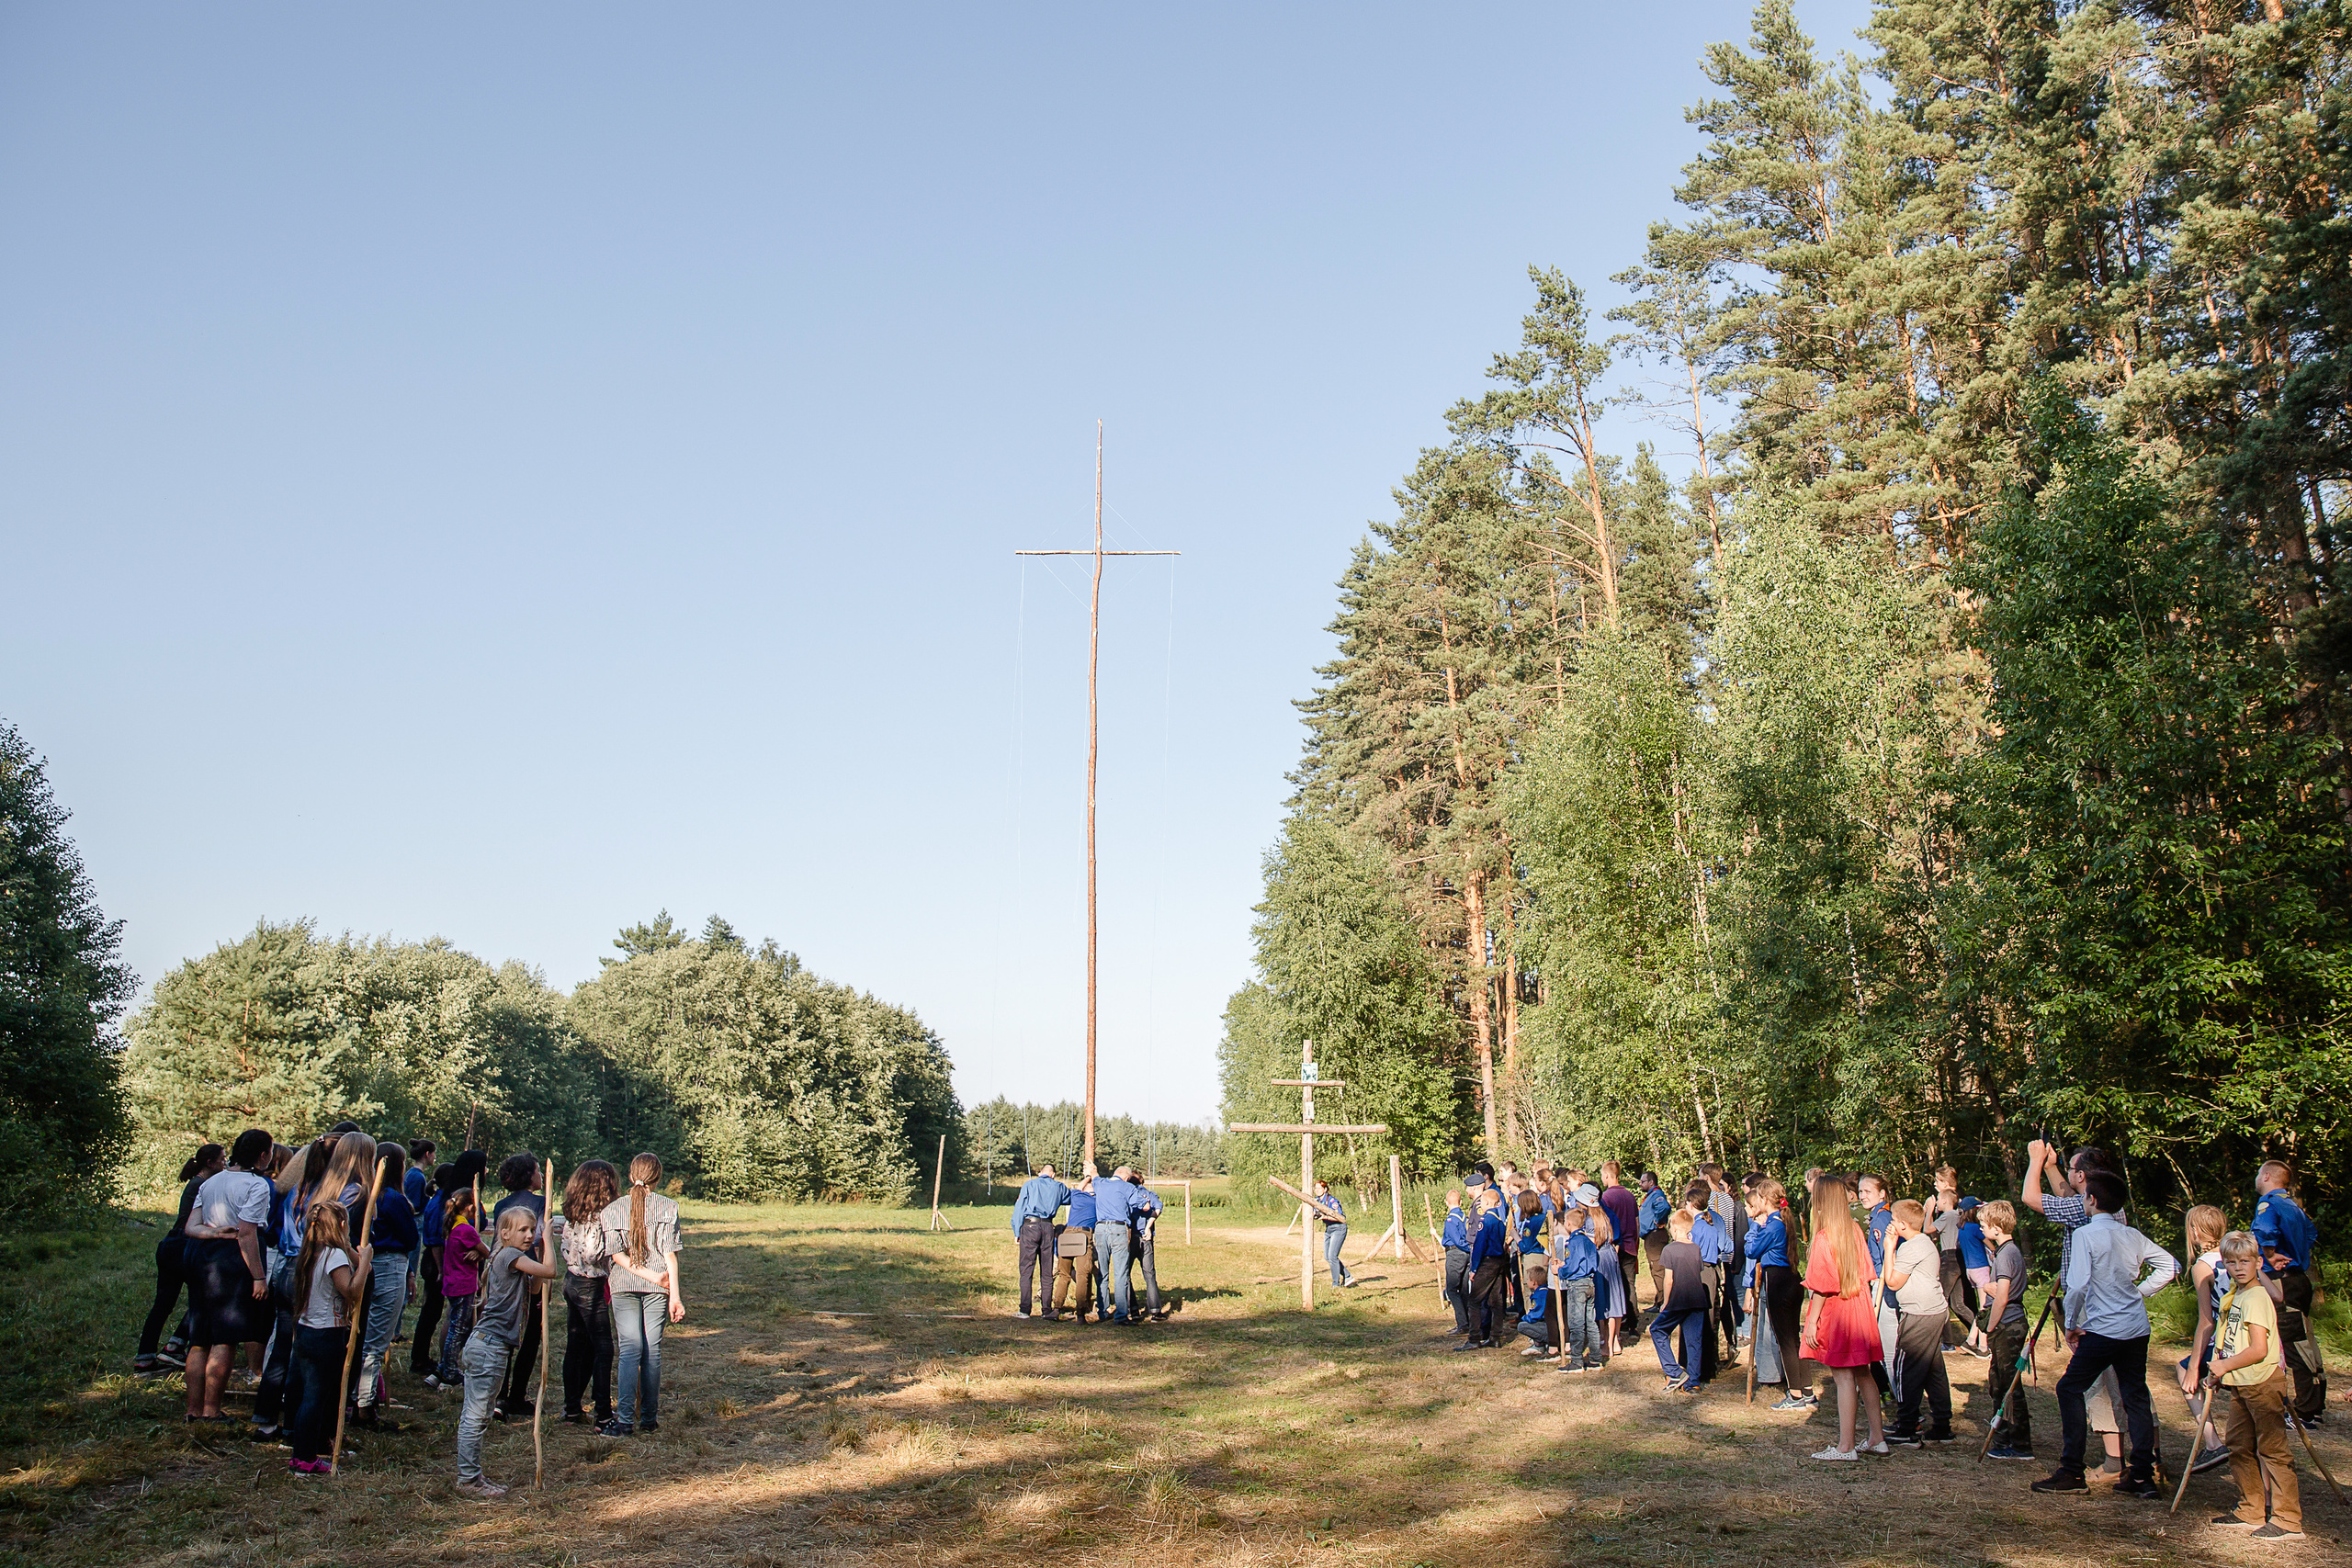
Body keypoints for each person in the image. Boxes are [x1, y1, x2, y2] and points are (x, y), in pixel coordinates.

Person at [2031, 1170, 2176, 1498]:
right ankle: (2141, 1474)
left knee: (2069, 1389)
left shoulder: (2086, 1235)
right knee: (2134, 1395)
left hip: (2103, 1329)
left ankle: (2071, 1471)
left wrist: (2069, 1323)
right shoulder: (2131, 1234)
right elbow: (2169, 1265)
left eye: (2083, 1196)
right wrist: (2140, 1292)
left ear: (2092, 1200)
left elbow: (2078, 1283)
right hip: (2135, 1329)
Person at [2022, 1139, 2129, 1474]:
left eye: (2072, 1172)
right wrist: (2055, 1167)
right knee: (2128, 1383)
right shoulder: (2108, 1204)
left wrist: (2036, 1162)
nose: (2068, 1179)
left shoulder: (2086, 1212)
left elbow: (2030, 1198)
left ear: (2083, 1177)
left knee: (2097, 1383)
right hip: (2118, 1304)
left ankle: (2113, 1460)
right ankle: (2146, 1456)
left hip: (2091, 1308)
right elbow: (2069, 1196)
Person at [454, 1205, 559, 1499]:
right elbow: (550, 1271)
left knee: (481, 1414)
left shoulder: (513, 1258)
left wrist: (537, 1249)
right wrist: (547, 1240)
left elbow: (537, 1287)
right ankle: (468, 1479)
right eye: (523, 1230)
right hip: (489, 1346)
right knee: (476, 1416)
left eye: (532, 1229)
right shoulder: (510, 1255)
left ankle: (471, 1474)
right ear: (504, 1234)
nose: (529, 1235)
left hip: (492, 1346)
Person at [2204, 1229, 2302, 1540]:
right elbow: (2232, 1339)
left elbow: (2259, 1349)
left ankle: (2288, 1520)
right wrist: (2221, 1371)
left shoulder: (2257, 1296)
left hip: (2262, 1382)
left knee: (2273, 1450)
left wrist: (2222, 1365)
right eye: (2232, 1263)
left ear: (2259, 1262)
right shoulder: (2239, 1294)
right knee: (2238, 1444)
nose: (2239, 1268)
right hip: (2241, 1382)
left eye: (2246, 1261)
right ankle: (2251, 1508)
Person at [181, 1128, 275, 1423]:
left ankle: (192, 1410)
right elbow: (247, 1233)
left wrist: (213, 1232)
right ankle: (210, 1411)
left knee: (199, 1339)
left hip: (204, 1257)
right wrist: (259, 1277)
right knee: (225, 1338)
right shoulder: (256, 1185)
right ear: (262, 1155)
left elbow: (190, 1228)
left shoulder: (210, 1183)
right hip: (235, 1262)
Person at [283, 1191, 371, 1474]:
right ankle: (304, 1458)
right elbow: (351, 1290)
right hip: (326, 1334)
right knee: (315, 1398)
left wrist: (357, 1254)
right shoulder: (333, 1256)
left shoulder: (313, 1251)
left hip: (308, 1331)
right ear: (342, 1225)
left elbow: (352, 1263)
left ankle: (308, 1450)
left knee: (311, 1395)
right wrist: (367, 1262)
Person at [599, 1152, 684, 1438]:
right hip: (659, 1286)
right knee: (652, 1352)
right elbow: (670, 1257)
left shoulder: (612, 1210)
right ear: (657, 1178)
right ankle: (648, 1419)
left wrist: (651, 1278)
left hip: (624, 1285)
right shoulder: (668, 1207)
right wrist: (674, 1295)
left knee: (630, 1351)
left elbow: (617, 1257)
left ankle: (624, 1421)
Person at [1800, 1175, 1884, 1461]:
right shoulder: (1854, 1229)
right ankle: (1877, 1438)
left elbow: (1823, 1285)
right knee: (1863, 1372)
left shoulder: (1825, 1237)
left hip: (1838, 1311)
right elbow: (1866, 1272)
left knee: (1843, 1376)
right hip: (1858, 1307)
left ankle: (1846, 1447)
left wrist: (1812, 1322)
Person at [136, 1143, 224, 1375]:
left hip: (169, 1245)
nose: (226, 1163)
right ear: (211, 1163)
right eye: (223, 1159)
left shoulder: (196, 1182)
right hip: (184, 1247)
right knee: (208, 1296)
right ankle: (175, 1345)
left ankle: (144, 1358)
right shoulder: (205, 1185)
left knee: (162, 1305)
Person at [349, 1141, 418, 1430]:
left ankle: (361, 1397)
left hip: (367, 1262)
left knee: (365, 1334)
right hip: (387, 1264)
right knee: (375, 1341)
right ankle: (363, 1407)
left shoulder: (361, 1194)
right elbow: (411, 1238)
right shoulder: (389, 1198)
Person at [2252, 1160, 2325, 1424]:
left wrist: (2270, 1254)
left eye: (2259, 1174)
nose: (2256, 1178)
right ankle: (2313, 1405)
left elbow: (2264, 1230)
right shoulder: (2295, 1206)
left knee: (2292, 1343)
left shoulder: (2269, 1204)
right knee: (2305, 1339)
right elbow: (2311, 1233)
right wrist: (2298, 1253)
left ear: (2268, 1176)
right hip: (2299, 1278)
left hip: (2281, 1280)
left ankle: (2303, 1410)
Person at [1883, 1200, 1954, 1445]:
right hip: (1934, 1312)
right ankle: (1942, 1425)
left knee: (1906, 1369)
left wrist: (1889, 1249)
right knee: (1933, 1371)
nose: (1891, 1224)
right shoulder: (1924, 1241)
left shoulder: (1911, 1247)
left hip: (1919, 1315)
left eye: (1893, 1220)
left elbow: (1892, 1282)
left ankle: (1907, 1426)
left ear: (1902, 1225)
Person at [2173, 1203, 2233, 1472]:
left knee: (2183, 1369)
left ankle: (2212, 1443)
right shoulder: (2236, 1254)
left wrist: (2194, 1368)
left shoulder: (2203, 1266)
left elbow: (2206, 1322)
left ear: (2195, 1232)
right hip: (2245, 1337)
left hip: (2224, 1342)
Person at [560, 1159, 619, 1427]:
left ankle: (572, 1408)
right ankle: (603, 1414)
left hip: (572, 1280)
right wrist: (615, 1252)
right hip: (590, 1286)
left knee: (577, 1346)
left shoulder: (574, 1215)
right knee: (603, 1349)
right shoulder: (599, 1218)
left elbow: (565, 1249)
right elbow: (592, 1253)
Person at [490, 1154, 548, 1420]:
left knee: (505, 1329)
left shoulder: (501, 1204)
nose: (541, 1176)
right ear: (529, 1175)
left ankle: (500, 1395)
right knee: (530, 1334)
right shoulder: (539, 1204)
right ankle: (516, 1395)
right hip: (530, 1270)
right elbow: (541, 1240)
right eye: (538, 1171)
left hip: (502, 1273)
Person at [1977, 1201, 2036, 1461]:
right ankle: (2004, 1438)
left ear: (1997, 1229)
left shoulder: (2006, 1255)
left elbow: (2002, 1296)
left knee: (2009, 1386)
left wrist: (1990, 1327)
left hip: (2007, 1324)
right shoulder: (2006, 1251)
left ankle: (2020, 1444)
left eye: (1983, 1225)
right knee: (1998, 1383)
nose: (1981, 1229)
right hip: (2008, 1322)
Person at [1745, 1178, 1809, 1411]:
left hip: (1777, 1280)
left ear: (1763, 1200)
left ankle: (1795, 1395)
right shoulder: (1782, 1221)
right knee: (1793, 1337)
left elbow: (1751, 1250)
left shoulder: (1772, 1225)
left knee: (1785, 1340)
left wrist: (1755, 1228)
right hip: (1790, 1279)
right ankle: (1806, 1389)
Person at [1649, 1210, 1708, 1393]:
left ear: (1673, 1229)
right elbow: (1698, 1271)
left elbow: (1669, 1280)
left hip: (1678, 1300)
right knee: (1694, 1341)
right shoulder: (1696, 1248)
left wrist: (1665, 1302)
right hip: (1697, 1300)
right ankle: (1694, 1383)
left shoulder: (1669, 1249)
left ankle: (1674, 1371)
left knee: (1657, 1330)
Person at [409, 1162, 457, 1380]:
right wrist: (441, 1270)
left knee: (432, 1312)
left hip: (435, 1259)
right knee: (430, 1312)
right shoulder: (439, 1205)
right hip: (435, 1260)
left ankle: (421, 1356)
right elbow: (437, 1240)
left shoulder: (438, 1200)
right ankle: (419, 1358)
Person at [434, 1187, 484, 1388]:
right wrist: (480, 1254)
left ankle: (444, 1366)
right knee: (458, 1329)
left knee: (455, 1325)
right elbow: (487, 1251)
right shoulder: (466, 1230)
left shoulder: (453, 1225)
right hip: (464, 1285)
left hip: (453, 1282)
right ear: (471, 1207)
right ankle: (450, 1371)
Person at [1008, 1162, 1069, 1319]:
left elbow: (1020, 1208)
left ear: (1040, 1173)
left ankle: (1024, 1309)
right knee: (1047, 1269)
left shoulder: (1029, 1185)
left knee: (1026, 1268)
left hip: (1030, 1226)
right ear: (1053, 1174)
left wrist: (1017, 1231)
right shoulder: (1059, 1187)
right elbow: (1069, 1198)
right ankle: (1046, 1310)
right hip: (1048, 1226)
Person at [1456, 1189, 1510, 1350]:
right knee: (1496, 1300)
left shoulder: (1484, 1221)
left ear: (1486, 1203)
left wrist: (1474, 1268)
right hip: (1499, 1261)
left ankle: (1474, 1337)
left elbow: (1479, 1245)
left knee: (1475, 1300)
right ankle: (1495, 1336)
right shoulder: (1500, 1222)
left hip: (1487, 1262)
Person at [1684, 1181, 1725, 1382]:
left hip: (1700, 1272)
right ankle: (1709, 1367)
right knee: (1709, 1320)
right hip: (1712, 1272)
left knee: (1697, 1322)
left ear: (1691, 1205)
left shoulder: (1697, 1228)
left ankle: (1695, 1367)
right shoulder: (1710, 1224)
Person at [1554, 1203, 1600, 1371]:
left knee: (1576, 1323)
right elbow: (1590, 1261)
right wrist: (1565, 1264)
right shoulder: (1588, 1240)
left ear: (1569, 1224)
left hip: (1577, 1285)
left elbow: (1573, 1265)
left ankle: (1577, 1360)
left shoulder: (1573, 1242)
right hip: (1590, 1282)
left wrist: (1560, 1270)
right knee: (1591, 1322)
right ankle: (1595, 1359)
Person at [1598, 1161, 1642, 1334]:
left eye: (1602, 1175)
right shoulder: (1630, 1195)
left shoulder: (1607, 1197)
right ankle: (1632, 1322)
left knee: (1615, 1284)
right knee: (1630, 1284)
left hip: (1615, 1246)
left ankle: (1618, 1319)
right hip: (1630, 1245)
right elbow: (1637, 1223)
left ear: (1607, 1175)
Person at [1052, 1175, 1099, 1323]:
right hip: (1083, 1236)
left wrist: (1087, 1177)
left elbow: (1079, 1187)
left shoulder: (1077, 1195)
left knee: (1064, 1275)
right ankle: (1080, 1313)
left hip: (1067, 1234)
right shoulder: (1098, 1201)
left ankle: (1056, 1308)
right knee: (1082, 1276)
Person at [1954, 1198, 1992, 1357]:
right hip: (1981, 1269)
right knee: (1985, 1308)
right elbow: (1993, 1247)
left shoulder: (1961, 1228)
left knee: (1982, 1307)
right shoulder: (1976, 1228)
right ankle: (1981, 1345)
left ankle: (1972, 1341)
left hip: (1970, 1270)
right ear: (1973, 1211)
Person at [1590, 1202, 1626, 1358]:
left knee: (1605, 1302)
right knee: (1611, 1301)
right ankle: (1612, 1341)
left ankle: (1608, 1342)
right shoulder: (1605, 1216)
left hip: (1601, 1260)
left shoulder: (1592, 1219)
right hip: (1610, 1257)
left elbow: (1594, 1244)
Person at [1128, 1176, 1166, 1321]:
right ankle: (1155, 1311)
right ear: (1142, 1181)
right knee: (1149, 1275)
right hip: (1146, 1238)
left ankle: (1133, 1310)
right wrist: (1148, 1227)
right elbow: (1158, 1209)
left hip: (1130, 1238)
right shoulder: (1150, 1194)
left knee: (1125, 1274)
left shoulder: (1128, 1194)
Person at [1308, 1179, 1356, 1293]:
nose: (1317, 1190)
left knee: (1333, 1256)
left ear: (1325, 1189)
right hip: (1328, 1229)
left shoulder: (1332, 1201)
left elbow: (1340, 1218)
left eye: (1319, 1188)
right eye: (1316, 1188)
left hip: (1338, 1228)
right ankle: (1348, 1276)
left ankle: (1336, 1284)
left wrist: (1325, 1217)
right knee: (1327, 1256)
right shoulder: (1316, 1201)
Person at [1440, 1190, 1473, 1339]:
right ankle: (1468, 1320)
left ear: (1447, 1203)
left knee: (1452, 1290)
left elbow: (1458, 1240)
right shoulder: (1464, 1216)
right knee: (1464, 1289)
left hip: (1456, 1254)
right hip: (1466, 1255)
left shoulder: (1451, 1220)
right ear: (1460, 1202)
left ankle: (1463, 1323)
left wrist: (1467, 1249)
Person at [1637, 1172, 1670, 1309]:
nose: (1640, 1184)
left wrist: (1658, 1220)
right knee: (1655, 1268)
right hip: (1651, 1236)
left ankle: (1663, 1302)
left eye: (1643, 1181)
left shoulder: (1656, 1195)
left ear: (1651, 1182)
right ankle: (1659, 1300)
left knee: (1658, 1269)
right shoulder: (1650, 1196)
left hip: (1655, 1236)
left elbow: (1664, 1207)